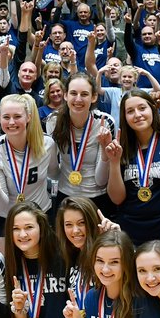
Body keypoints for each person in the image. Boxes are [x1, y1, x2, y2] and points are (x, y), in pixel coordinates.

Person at [105, 89, 160, 259]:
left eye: (142, 108)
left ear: (153, 109)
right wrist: (114, 163)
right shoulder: (122, 147)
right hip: (130, 238)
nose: (137, 115)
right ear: (124, 117)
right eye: (130, 111)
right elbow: (117, 199)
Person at [0, 94, 58, 246]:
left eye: (17, 116)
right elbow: (0, 207)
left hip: (41, 214)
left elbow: (54, 173)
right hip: (7, 217)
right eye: (6, 117)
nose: (11, 122)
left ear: (28, 117)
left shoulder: (47, 144)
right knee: (3, 265)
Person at [47, 73, 117, 213]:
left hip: (97, 197)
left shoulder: (105, 122)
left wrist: (104, 150)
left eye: (84, 94)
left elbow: (101, 181)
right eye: (73, 93)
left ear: (94, 97)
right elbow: (53, 173)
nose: (78, 99)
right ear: (65, 95)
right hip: (65, 195)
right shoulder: (53, 121)